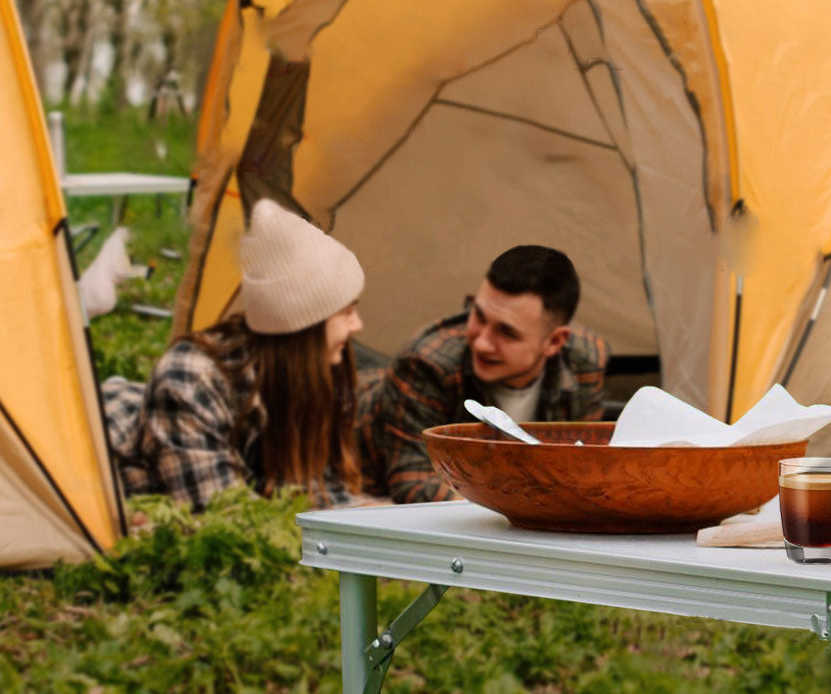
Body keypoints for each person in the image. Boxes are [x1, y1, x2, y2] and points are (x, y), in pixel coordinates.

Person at [103, 199, 366, 511]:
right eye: (346, 313)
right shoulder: (188, 381)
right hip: (109, 461)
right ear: (304, 328)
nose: (357, 325)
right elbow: (222, 513)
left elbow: (321, 496)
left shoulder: (305, 369)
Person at [358, 245, 609, 503]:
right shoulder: (426, 362)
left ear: (555, 342)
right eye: (478, 315)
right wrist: (522, 506)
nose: (482, 343)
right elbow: (415, 485)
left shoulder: (584, 362)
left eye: (507, 332)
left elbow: (579, 468)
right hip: (346, 456)